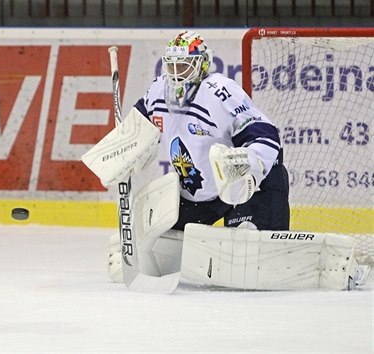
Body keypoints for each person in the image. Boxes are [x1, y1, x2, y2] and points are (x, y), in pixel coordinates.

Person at [107, 30, 289, 281]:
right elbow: (135, 129)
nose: (175, 73)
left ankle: (263, 236)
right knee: (147, 242)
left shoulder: (219, 91)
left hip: (240, 190)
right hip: (196, 193)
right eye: (171, 66)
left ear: (202, 64)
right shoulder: (160, 88)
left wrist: (249, 165)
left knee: (252, 256)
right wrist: (121, 151)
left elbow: (266, 136)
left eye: (183, 66)